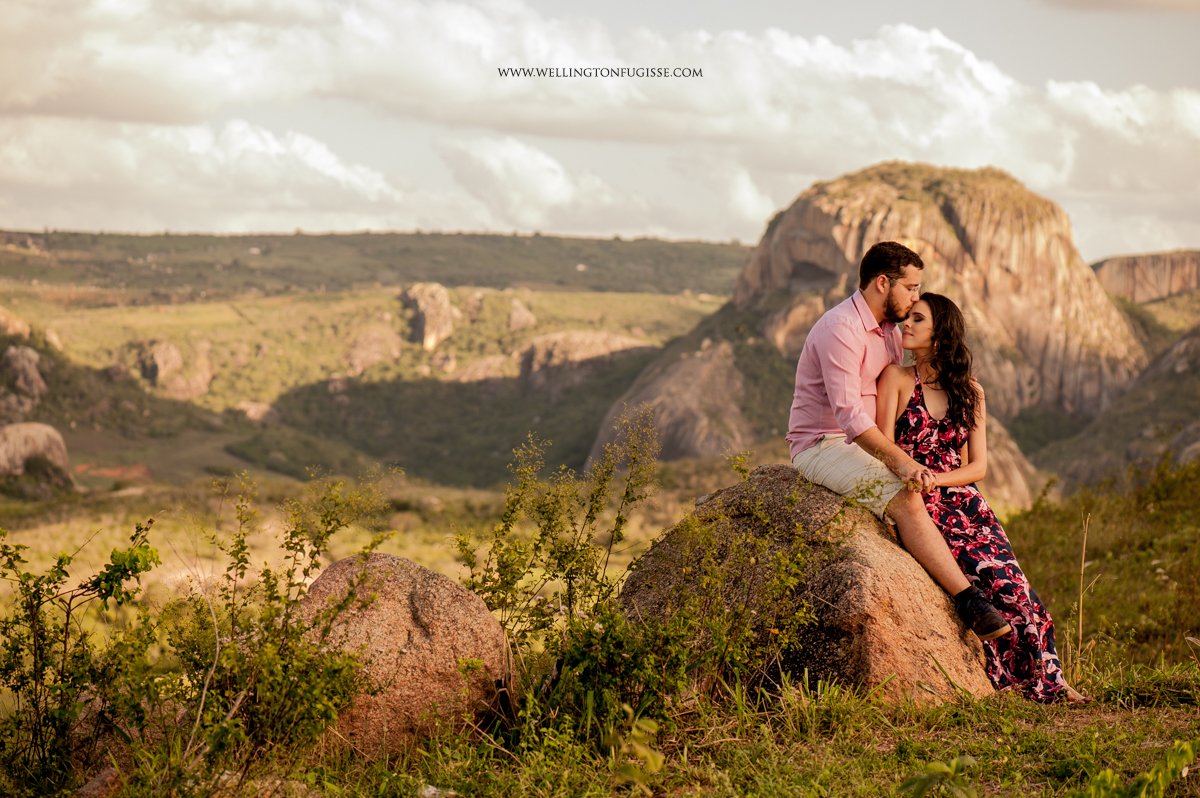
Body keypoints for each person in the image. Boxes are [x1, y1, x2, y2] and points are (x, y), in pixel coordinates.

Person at [787, 241, 1010, 641]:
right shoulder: (842, 328)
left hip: (864, 445)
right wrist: (902, 462)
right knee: (904, 495)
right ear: (882, 283)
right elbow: (850, 417)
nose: (913, 297)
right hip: (824, 444)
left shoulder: (891, 331)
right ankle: (967, 601)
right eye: (910, 288)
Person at [876, 292, 1086, 703]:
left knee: (1019, 591)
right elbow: (883, 447)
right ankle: (1012, 683)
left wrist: (939, 478)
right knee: (987, 586)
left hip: (968, 507)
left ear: (941, 335)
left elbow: (978, 467)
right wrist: (918, 480)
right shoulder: (896, 379)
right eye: (908, 318)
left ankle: (1051, 681)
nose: (907, 324)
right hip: (921, 504)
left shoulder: (970, 391)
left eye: (918, 320)